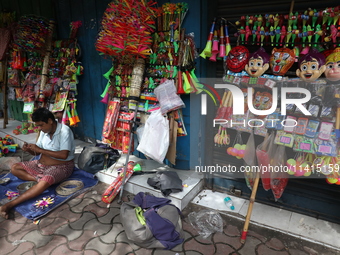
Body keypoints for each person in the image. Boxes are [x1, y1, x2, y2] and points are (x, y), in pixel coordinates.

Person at [0, 108, 75, 219]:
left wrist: (40, 151)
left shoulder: (64, 131)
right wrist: (28, 149)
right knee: (15, 168)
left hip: (61, 166)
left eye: (41, 125)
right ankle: (39, 181)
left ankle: (9, 205)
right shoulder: (44, 132)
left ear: (50, 121)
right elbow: (36, 152)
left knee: (46, 180)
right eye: (37, 126)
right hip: (40, 165)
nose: (39, 128)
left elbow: (64, 155)